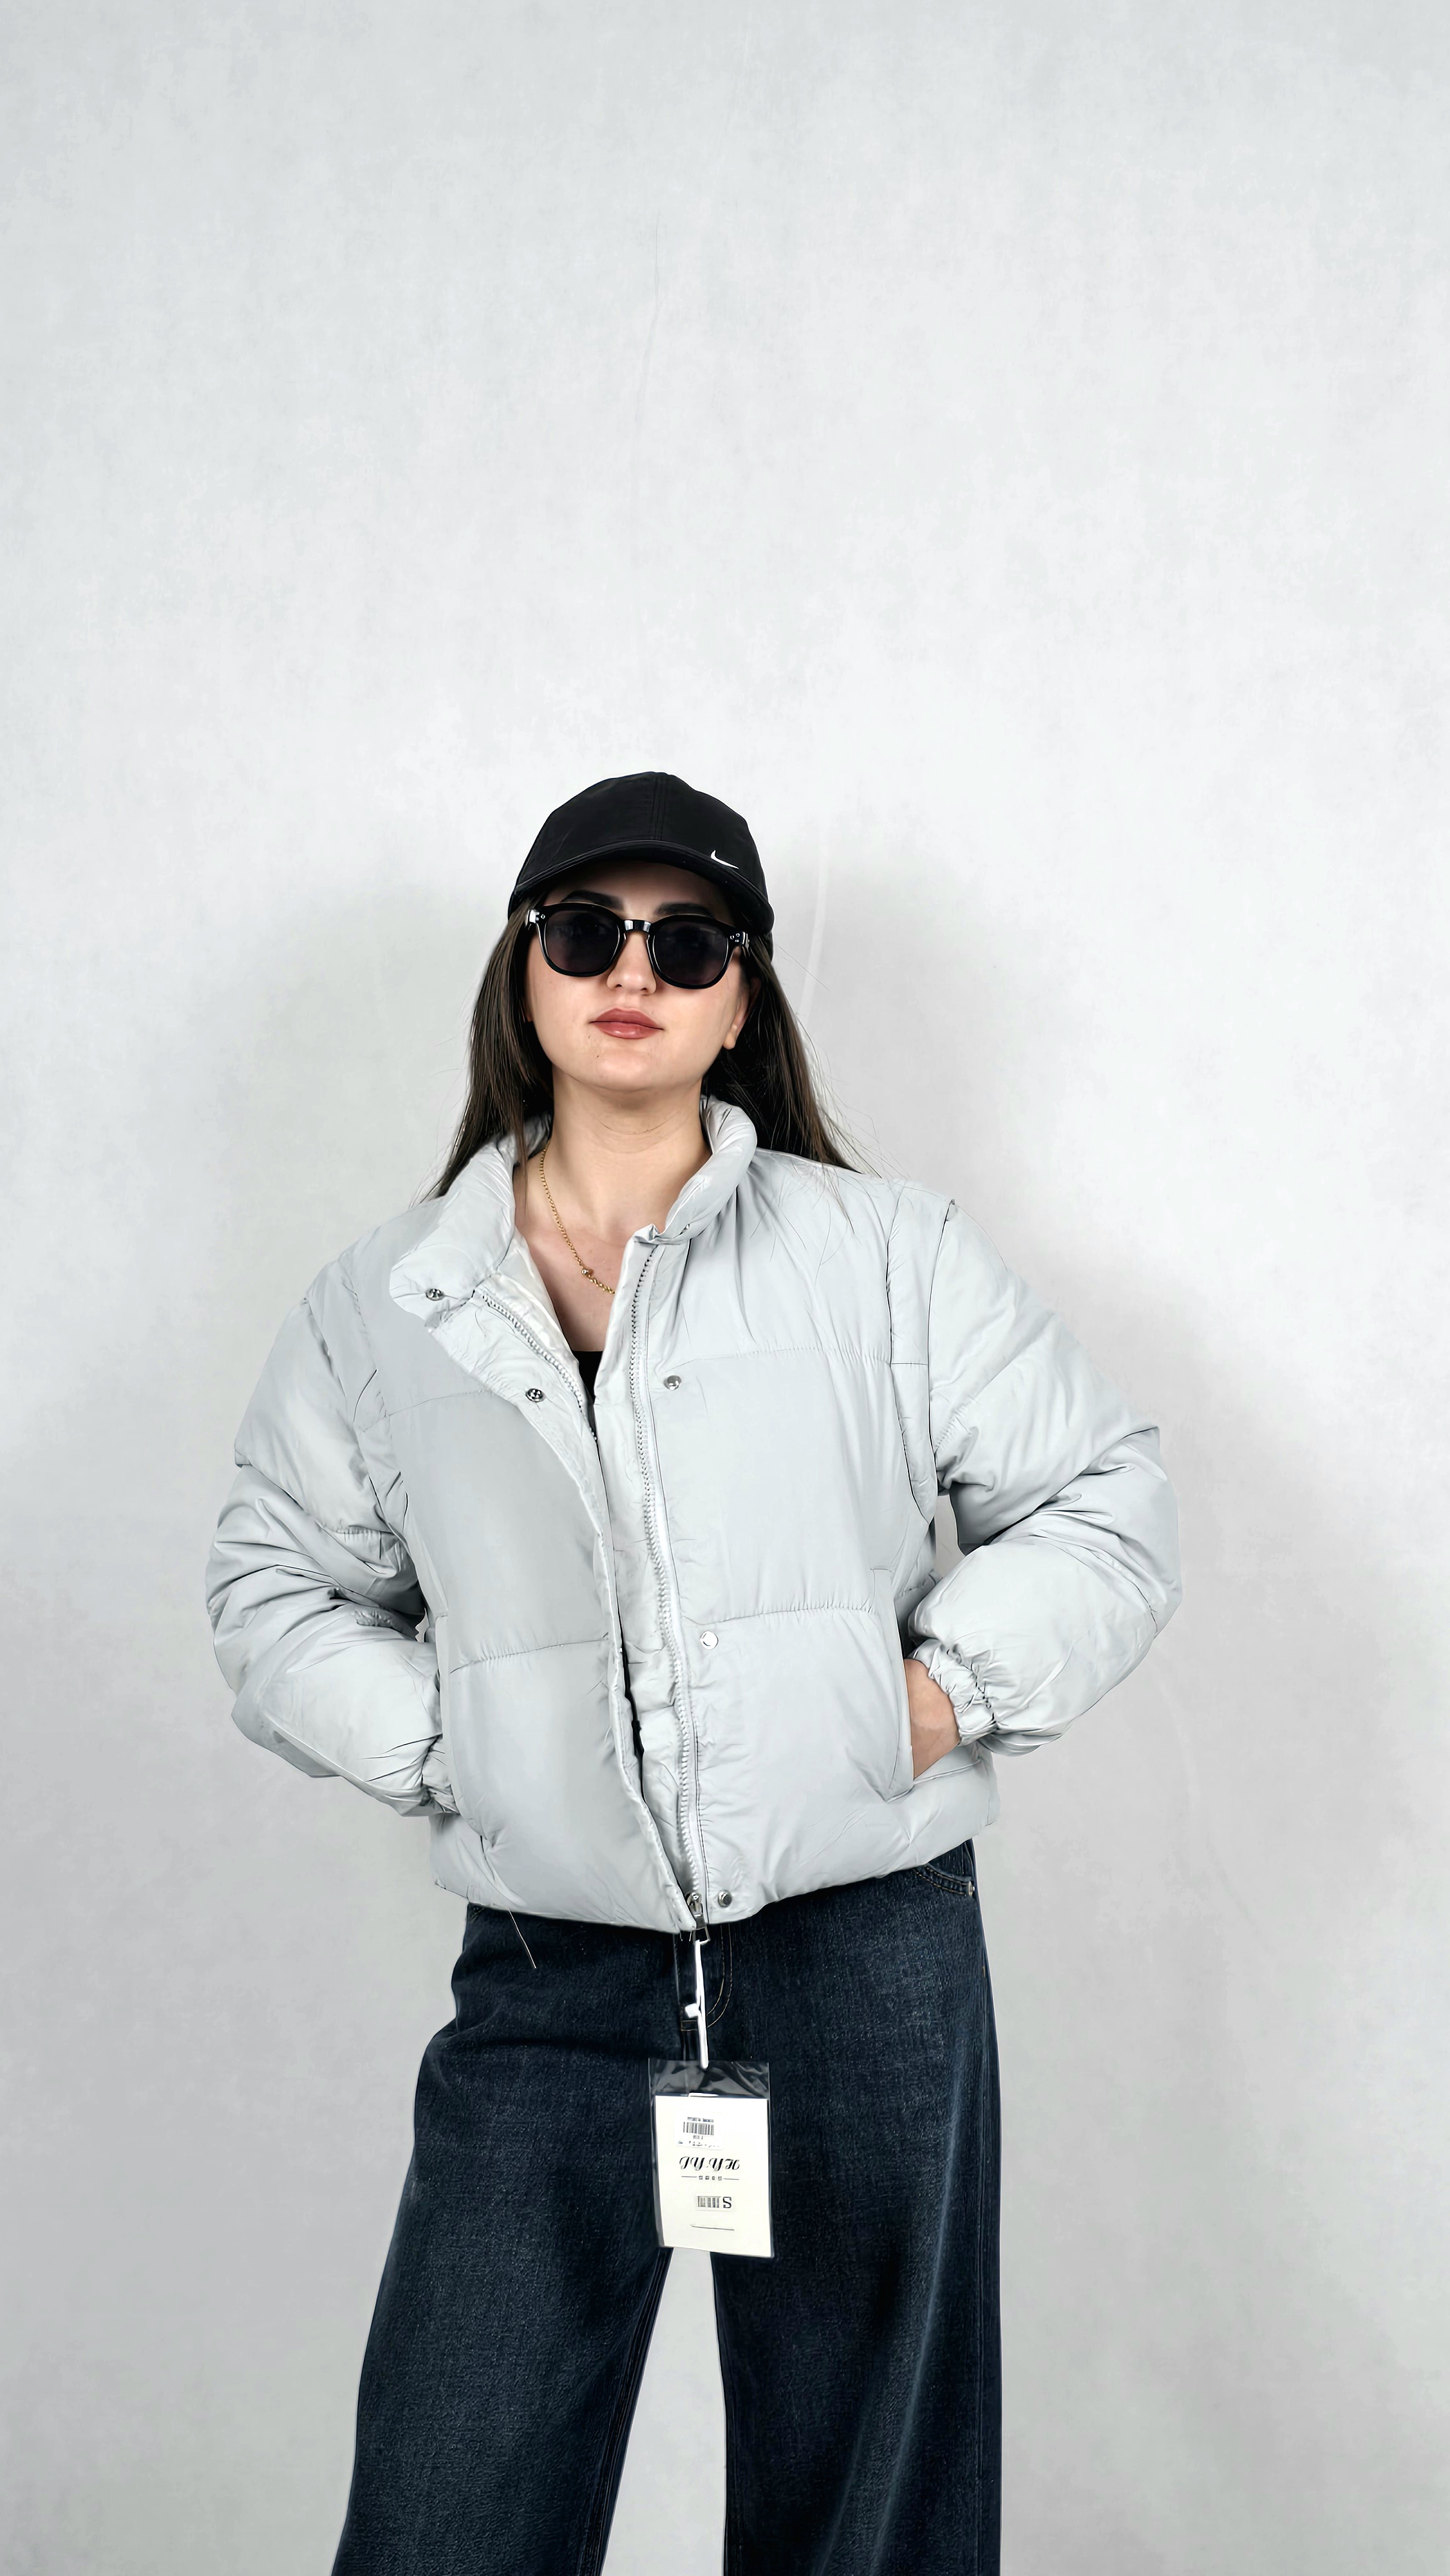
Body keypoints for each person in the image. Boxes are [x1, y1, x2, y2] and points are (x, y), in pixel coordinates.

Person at [206, 770, 1181, 2576]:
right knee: (447, 2502)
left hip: (859, 1951)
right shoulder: (387, 1302)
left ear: (743, 998)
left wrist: (918, 1704)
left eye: (689, 940)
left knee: (863, 2519)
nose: (632, 971)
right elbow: (272, 1589)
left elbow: (1104, 1505)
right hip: (548, 1973)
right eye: (586, 931)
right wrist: (463, 1745)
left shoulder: (886, 1256)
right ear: (523, 972)